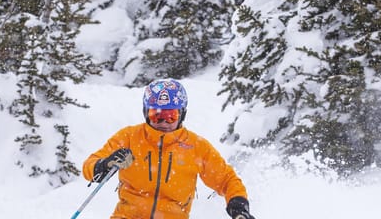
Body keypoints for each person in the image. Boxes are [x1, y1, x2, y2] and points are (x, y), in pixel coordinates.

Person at [82, 79, 255, 219]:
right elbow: (89, 166)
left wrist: (239, 207)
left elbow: (227, 179)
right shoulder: (129, 137)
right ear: (146, 113)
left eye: (171, 116)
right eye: (156, 115)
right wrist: (104, 165)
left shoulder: (196, 146)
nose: (164, 122)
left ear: (182, 115)